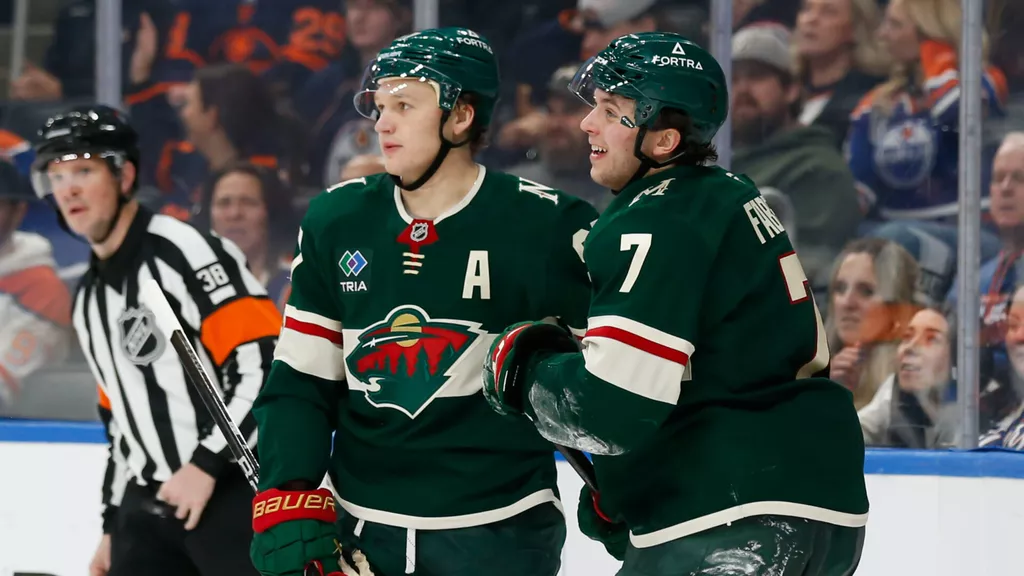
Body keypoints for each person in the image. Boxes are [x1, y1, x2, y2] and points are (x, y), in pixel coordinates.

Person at [482, 32, 869, 575]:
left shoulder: (654, 218)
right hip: (819, 507)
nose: (587, 124)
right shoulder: (729, 194)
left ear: (663, 140)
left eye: (611, 111)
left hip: (730, 514)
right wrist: (627, 484)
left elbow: (610, 410)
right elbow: (709, 369)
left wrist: (530, 375)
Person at [249, 27, 597, 576]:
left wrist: (626, 485)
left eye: (404, 105)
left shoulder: (550, 226)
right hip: (362, 529)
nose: (381, 123)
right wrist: (287, 491)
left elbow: (610, 383)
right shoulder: (336, 221)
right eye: (379, 106)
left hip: (501, 530)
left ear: (460, 117)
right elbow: (301, 378)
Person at [29, 104, 282, 576]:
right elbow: (120, 423)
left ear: (124, 175)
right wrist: (112, 524)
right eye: (57, 176)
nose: (69, 189)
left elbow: (265, 366)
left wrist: (206, 465)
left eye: (83, 170)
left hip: (230, 493)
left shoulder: (185, 252)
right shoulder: (88, 298)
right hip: (149, 508)